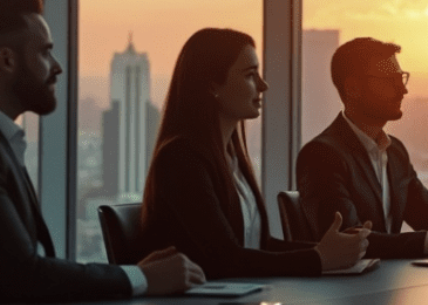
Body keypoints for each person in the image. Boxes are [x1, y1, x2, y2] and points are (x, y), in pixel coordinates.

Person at [0, 0, 205, 305]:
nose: (57, 67)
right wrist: (140, 277)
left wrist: (139, 274)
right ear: (7, 60)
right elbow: (22, 274)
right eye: (45, 53)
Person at [140, 28, 370, 278]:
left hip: (235, 303)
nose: (263, 85)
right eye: (250, 75)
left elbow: (259, 246)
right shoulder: (181, 159)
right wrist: (319, 258)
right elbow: (226, 259)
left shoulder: (231, 156)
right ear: (212, 85)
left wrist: (332, 252)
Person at [295, 37, 428, 259]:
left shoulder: (395, 151)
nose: (402, 90)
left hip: (386, 284)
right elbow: (350, 240)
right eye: (389, 81)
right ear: (353, 88)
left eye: (401, 78)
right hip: (343, 290)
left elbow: (427, 214)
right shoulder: (322, 155)